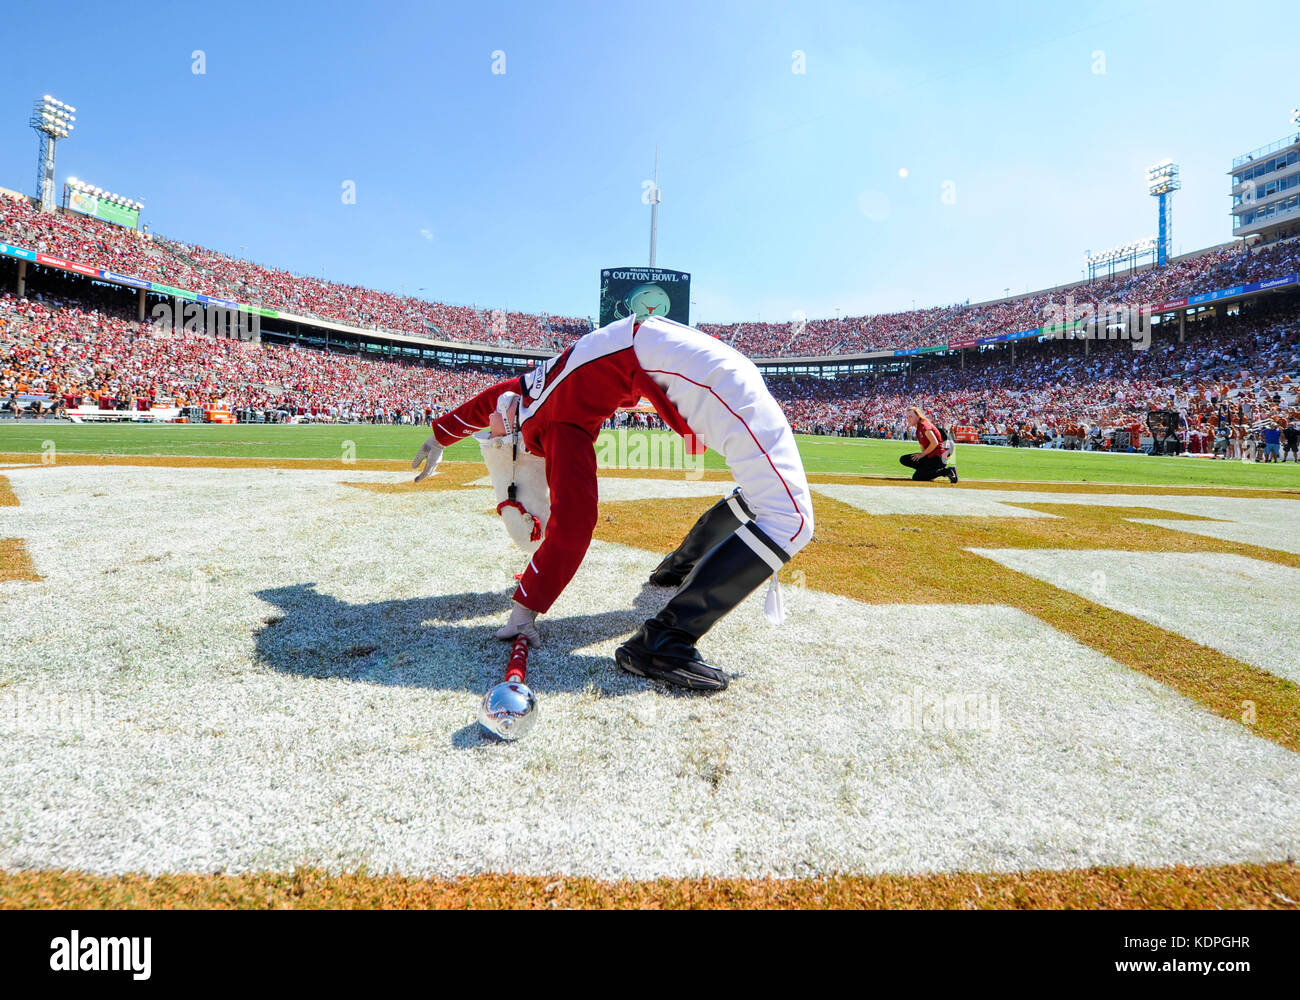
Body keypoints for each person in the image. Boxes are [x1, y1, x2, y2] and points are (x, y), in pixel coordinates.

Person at [411, 313, 815, 691]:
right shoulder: (536, 386)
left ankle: (668, 618)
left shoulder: (555, 420)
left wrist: (524, 610)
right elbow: (492, 401)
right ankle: (672, 593)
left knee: (788, 516)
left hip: (707, 370)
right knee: (773, 502)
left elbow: (571, 529)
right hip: (694, 353)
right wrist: (437, 436)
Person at [899, 405, 957, 482]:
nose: (908, 419)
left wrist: (921, 455)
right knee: (904, 459)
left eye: (911, 416)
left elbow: (934, 443)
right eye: (907, 417)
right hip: (930, 456)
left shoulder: (924, 425)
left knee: (917, 477)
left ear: (918, 416)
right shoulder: (918, 430)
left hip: (938, 457)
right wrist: (921, 456)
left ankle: (947, 471)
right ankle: (929, 472)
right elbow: (924, 449)